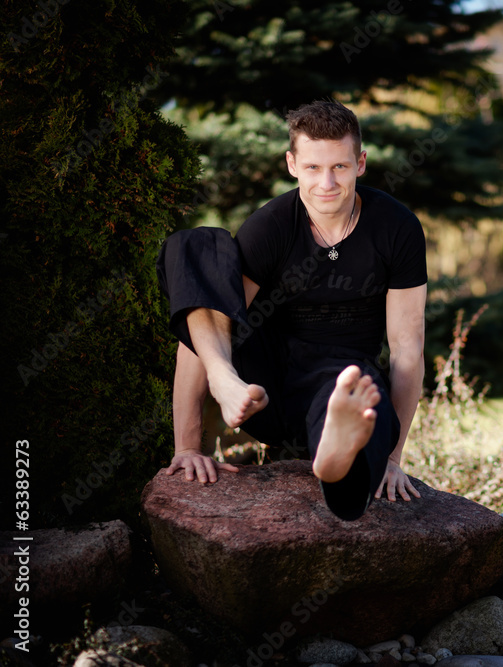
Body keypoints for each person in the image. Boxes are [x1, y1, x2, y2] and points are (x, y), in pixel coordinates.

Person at [156, 100, 426, 520]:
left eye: (339, 166)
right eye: (314, 168)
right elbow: (205, 321)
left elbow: (408, 352)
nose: (327, 183)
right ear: (292, 164)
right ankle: (222, 376)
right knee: (198, 244)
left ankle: (335, 462)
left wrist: (391, 457)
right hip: (260, 385)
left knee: (360, 394)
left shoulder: (396, 227)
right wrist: (189, 447)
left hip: (338, 380)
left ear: (361, 164)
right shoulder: (273, 226)